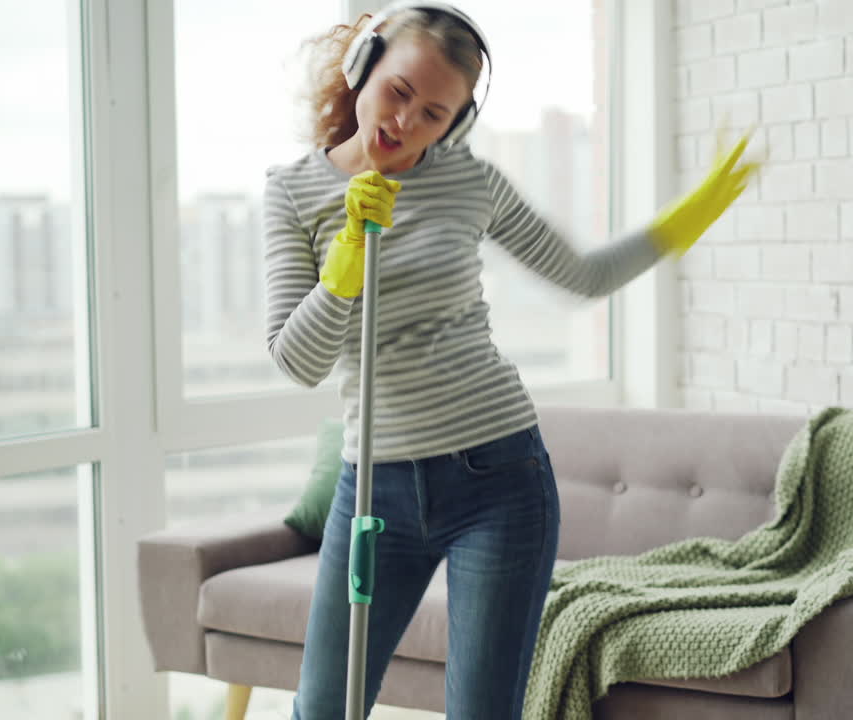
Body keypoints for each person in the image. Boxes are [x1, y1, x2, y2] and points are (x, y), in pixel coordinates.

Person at [263, 3, 757, 718]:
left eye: (435, 114)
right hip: (375, 491)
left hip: (498, 481)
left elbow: (582, 277)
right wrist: (343, 265)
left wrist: (685, 222)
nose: (406, 124)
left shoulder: (469, 182)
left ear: (457, 123)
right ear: (363, 67)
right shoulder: (293, 192)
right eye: (399, 92)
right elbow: (295, 360)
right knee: (323, 710)